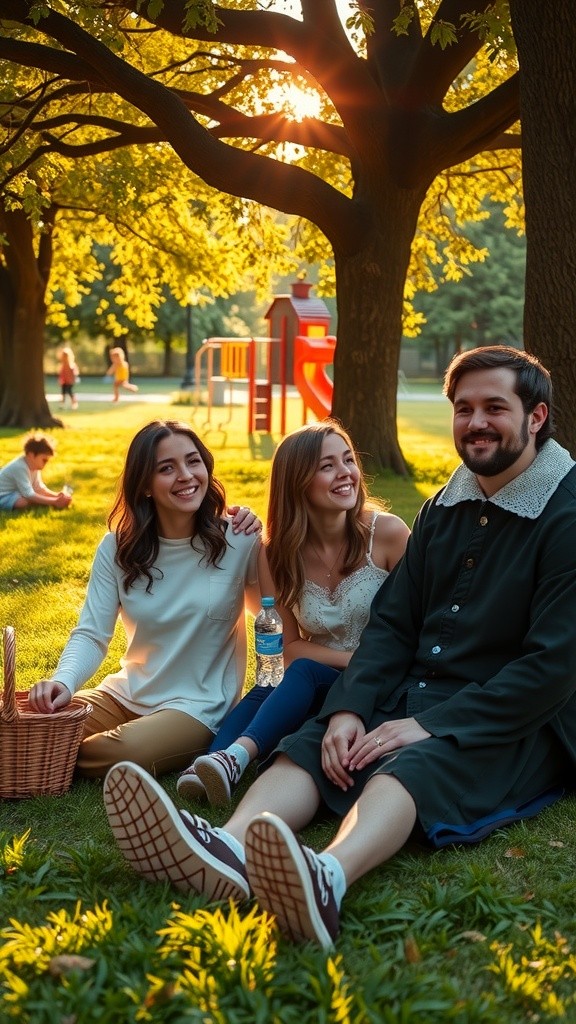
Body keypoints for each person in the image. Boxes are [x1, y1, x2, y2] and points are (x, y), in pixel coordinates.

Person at [103, 346, 576, 949]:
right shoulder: (444, 505)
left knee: (411, 764)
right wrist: (351, 707)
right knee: (313, 740)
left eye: (494, 407)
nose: (475, 422)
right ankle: (229, 845)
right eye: (463, 408)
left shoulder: (566, 513)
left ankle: (328, 876)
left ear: (535, 417)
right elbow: (394, 627)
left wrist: (429, 725)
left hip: (518, 715)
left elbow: (553, 667)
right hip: (419, 685)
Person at [176, 419, 410, 806]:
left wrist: (362, 662)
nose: (345, 473)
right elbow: (286, 647)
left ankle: (234, 758)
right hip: (315, 681)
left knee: (299, 673)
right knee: (271, 683)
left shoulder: (387, 534)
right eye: (327, 466)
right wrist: (345, 660)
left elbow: (415, 627)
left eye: (348, 460)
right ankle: (209, 763)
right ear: (297, 480)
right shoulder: (277, 552)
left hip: (382, 679)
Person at [28, 420, 262, 778]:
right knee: (31, 718)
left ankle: (50, 751)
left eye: (193, 461)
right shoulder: (118, 547)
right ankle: (48, 745)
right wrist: (63, 682)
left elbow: (271, 614)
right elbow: (92, 633)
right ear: (146, 485)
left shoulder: (238, 538)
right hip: (126, 695)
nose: (185, 475)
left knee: (121, 750)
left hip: (197, 709)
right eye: (166, 468)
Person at [0, 434, 73, 511]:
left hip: (14, 493)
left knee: (31, 497)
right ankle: (48, 503)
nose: (46, 464)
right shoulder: (19, 467)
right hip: (3, 495)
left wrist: (57, 496)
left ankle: (49, 502)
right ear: (31, 455)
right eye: (44, 460)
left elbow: (38, 488)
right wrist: (54, 501)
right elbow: (28, 494)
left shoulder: (34, 466)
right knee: (23, 502)